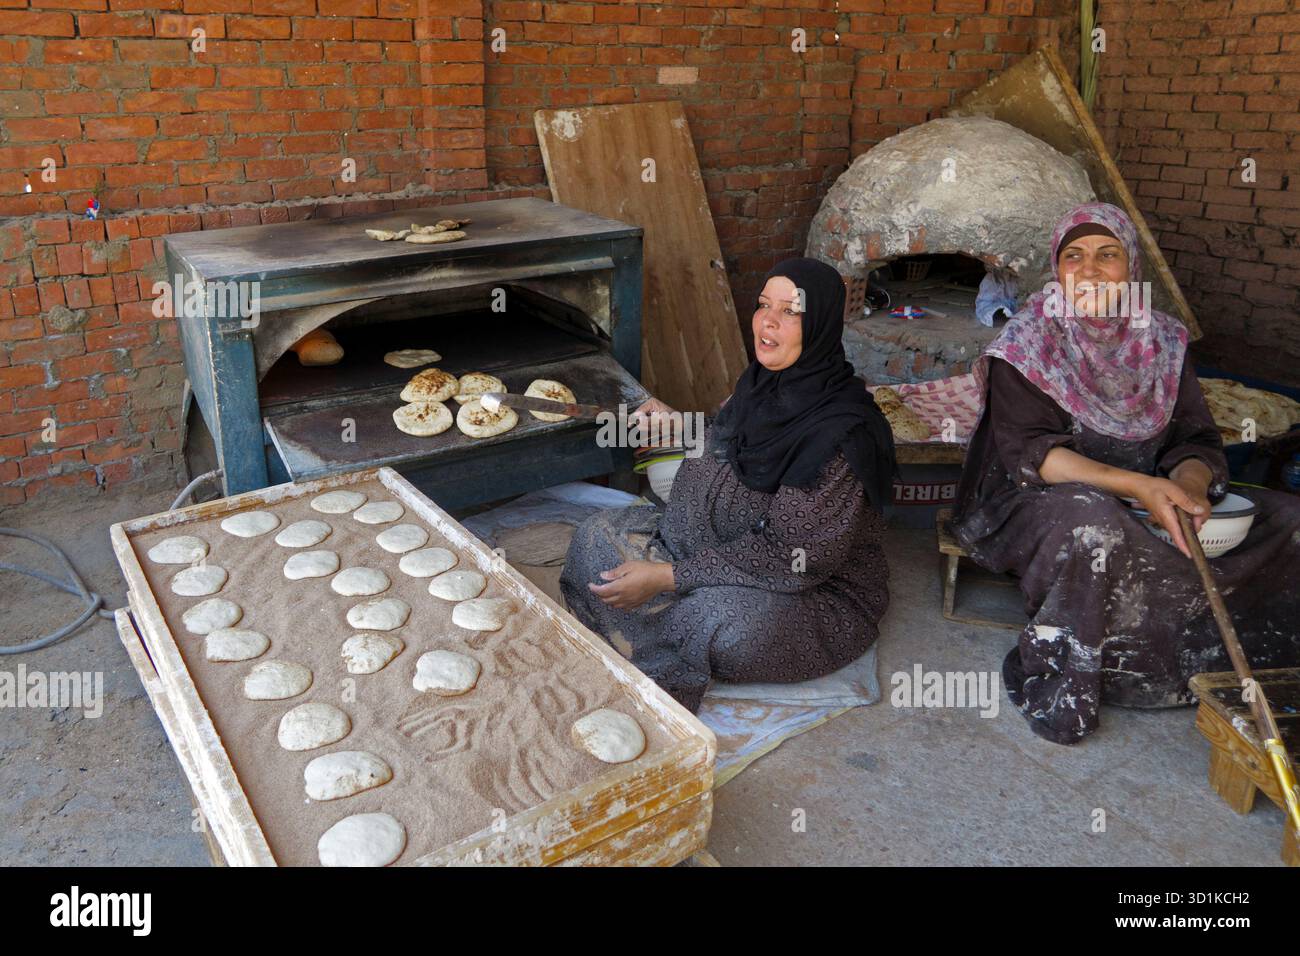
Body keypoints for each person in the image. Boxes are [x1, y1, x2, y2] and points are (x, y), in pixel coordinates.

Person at [952, 201, 1300, 744]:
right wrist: (1140, 486)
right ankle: (1097, 676)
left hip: (1149, 494)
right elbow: (1035, 454)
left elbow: (1195, 439)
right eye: (1075, 257)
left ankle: (1252, 671)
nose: (1089, 271)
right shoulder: (1027, 342)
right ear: (1058, 268)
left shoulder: (1162, 339)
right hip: (1036, 496)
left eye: (1107, 255)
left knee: (1288, 518)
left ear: (1131, 268)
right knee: (1095, 524)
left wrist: (1186, 485)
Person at [560, 257, 896, 713]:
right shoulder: (758, 385)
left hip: (802, 588)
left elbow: (792, 557)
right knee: (594, 536)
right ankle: (665, 611)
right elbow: (732, 445)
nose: (768, 321)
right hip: (707, 545)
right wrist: (680, 425)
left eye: (790, 311)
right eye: (763, 305)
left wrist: (666, 577)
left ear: (818, 325)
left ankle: (661, 620)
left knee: (728, 625)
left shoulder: (841, 434)